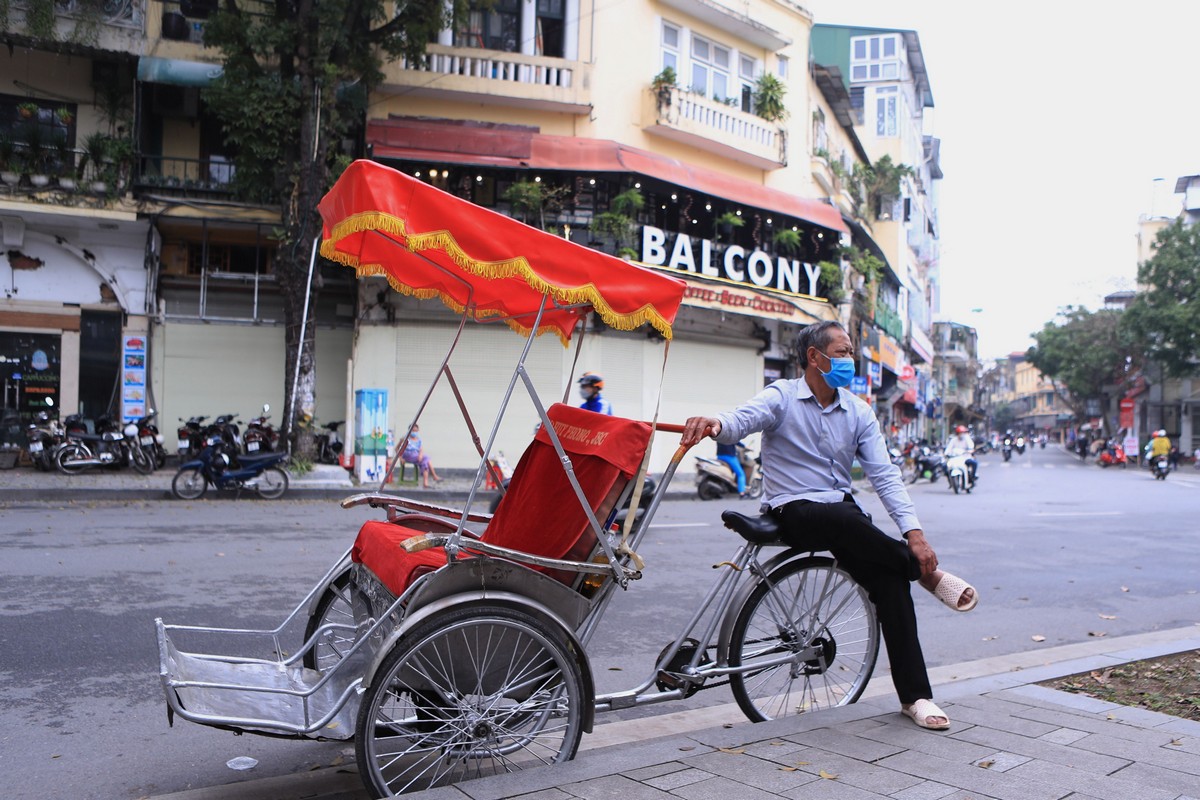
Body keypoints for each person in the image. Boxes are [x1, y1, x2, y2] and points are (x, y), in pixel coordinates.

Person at [681, 320, 977, 732]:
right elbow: (742, 418)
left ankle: (916, 696)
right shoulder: (782, 396)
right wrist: (714, 423)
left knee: (890, 582)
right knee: (842, 516)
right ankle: (922, 573)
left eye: (850, 352)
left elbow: (884, 475)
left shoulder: (858, 411)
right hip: (793, 511)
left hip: (844, 520)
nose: (848, 360)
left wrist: (915, 534)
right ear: (814, 358)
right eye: (841, 352)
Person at [400, 424, 441, 488]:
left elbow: (421, 449)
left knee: (425, 462)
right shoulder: (405, 439)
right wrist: (400, 458)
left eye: (416, 431)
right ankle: (434, 476)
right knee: (427, 458)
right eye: (413, 430)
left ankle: (426, 483)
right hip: (408, 456)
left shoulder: (418, 440)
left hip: (416, 457)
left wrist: (420, 455)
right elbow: (397, 448)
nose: (414, 432)